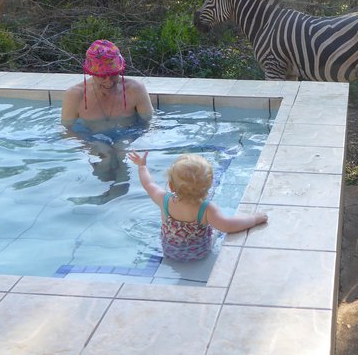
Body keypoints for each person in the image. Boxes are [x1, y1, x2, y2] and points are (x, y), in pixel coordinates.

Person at [127, 150, 268, 261]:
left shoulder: (164, 199)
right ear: (209, 186)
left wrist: (142, 166)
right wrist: (254, 219)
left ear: (170, 185)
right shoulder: (206, 208)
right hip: (199, 254)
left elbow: (148, 184)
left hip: (170, 252)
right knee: (217, 230)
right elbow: (228, 226)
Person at [61, 39, 154, 190]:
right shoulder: (74, 95)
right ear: (90, 73)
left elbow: (150, 124)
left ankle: (119, 194)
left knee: (121, 154)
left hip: (128, 136)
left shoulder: (135, 89)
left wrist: (129, 142)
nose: (109, 81)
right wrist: (90, 146)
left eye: (114, 74)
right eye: (102, 76)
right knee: (105, 160)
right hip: (92, 138)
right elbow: (66, 131)